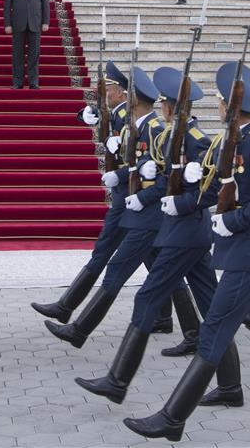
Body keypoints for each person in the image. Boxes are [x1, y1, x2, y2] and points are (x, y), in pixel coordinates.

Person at [124, 62, 250, 447]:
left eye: (220, 100)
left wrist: (234, 222)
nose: (217, 105)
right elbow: (219, 186)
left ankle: (172, 417)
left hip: (247, 255)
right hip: (245, 255)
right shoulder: (231, 140)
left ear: (230, 106)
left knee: (213, 332)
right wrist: (188, 194)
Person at [74, 66, 243, 406]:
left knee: (147, 298)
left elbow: (214, 191)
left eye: (165, 103)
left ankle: (118, 381)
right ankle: (230, 387)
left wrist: (178, 200)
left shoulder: (198, 142)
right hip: (183, 234)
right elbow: (165, 178)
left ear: (170, 108)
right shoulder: (168, 137)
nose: (162, 108)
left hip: (185, 233)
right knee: (214, 309)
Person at [44, 67, 197, 348]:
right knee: (166, 272)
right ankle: (190, 332)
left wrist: (140, 192)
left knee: (117, 270)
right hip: (137, 208)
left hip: (147, 212)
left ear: (135, 100)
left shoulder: (154, 131)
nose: (124, 99)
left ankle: (79, 330)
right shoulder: (139, 126)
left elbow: (164, 175)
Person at [4, 0, 50, 89]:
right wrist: (7, 24)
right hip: (18, 24)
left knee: (34, 54)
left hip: (35, 24)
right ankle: (18, 82)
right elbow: (7, 6)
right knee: (17, 54)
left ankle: (33, 81)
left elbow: (45, 4)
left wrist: (45, 22)